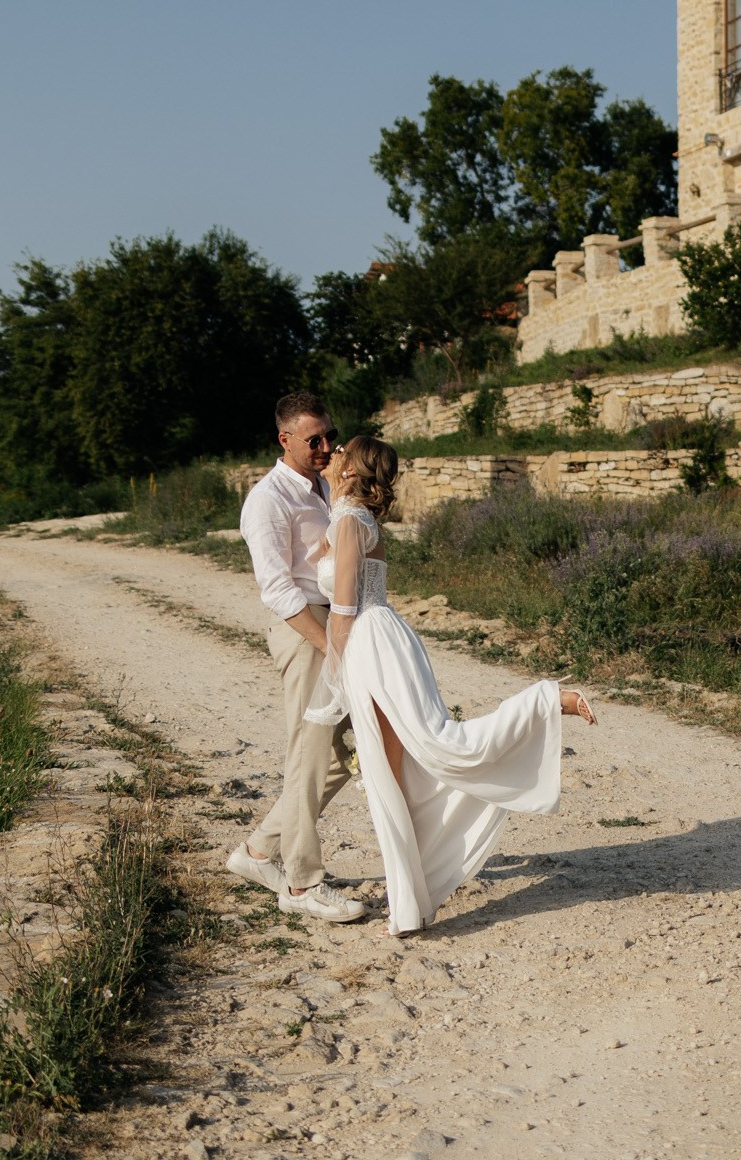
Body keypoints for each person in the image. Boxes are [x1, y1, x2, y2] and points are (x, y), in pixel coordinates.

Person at [303, 436, 597, 936]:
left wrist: (333, 677)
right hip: (377, 641)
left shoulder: (352, 520)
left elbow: (346, 607)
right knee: (395, 774)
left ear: (353, 470)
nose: (331, 456)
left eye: (340, 453)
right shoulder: (347, 517)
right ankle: (410, 905)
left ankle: (546, 701)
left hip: (370, 646)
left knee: (423, 754)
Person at [227, 391, 368, 922]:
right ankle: (303, 884)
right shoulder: (267, 500)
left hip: (338, 623)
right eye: (315, 439)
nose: (326, 446)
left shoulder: (322, 489)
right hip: (306, 629)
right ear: (283, 439)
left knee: (339, 757)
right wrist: (327, 645)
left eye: (330, 435)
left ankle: (259, 850)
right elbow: (278, 589)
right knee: (307, 756)